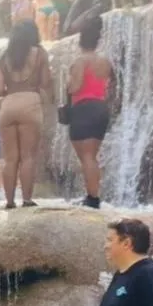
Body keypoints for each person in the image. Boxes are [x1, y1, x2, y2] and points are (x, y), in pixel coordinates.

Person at [0, 20, 52, 209]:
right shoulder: (40, 54)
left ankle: (9, 202)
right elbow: (45, 81)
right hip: (30, 103)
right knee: (28, 157)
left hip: (8, 105)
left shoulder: (5, 58)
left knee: (10, 159)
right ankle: (27, 200)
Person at [66, 14, 113, 209]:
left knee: (86, 157)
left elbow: (75, 88)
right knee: (91, 156)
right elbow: (110, 86)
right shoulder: (105, 62)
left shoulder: (80, 62)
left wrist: (68, 84)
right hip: (101, 108)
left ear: (81, 41)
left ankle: (93, 198)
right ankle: (92, 194)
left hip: (83, 108)